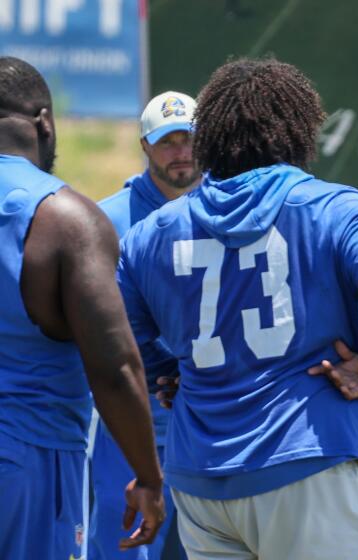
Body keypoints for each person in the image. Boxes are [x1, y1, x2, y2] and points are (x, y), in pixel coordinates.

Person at [116, 57, 358, 559]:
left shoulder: (150, 233)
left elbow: (120, 329)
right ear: (298, 128)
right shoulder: (333, 208)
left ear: (210, 139)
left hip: (202, 479)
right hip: (310, 461)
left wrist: (172, 368)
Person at [0, 57, 165, 558]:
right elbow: (114, 367)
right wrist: (148, 478)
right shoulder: (66, 219)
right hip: (26, 458)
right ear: (44, 122)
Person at [89, 90, 200, 560]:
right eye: (167, 141)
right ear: (144, 146)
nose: (181, 151)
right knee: (126, 545)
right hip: (135, 416)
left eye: (189, 138)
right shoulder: (107, 219)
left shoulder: (224, 207)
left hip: (208, 412)